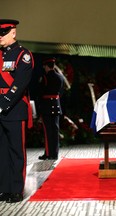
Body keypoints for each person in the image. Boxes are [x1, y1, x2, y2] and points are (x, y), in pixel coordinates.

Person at [0, 19, 34, 203]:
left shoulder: (23, 55)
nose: (0, 36)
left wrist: (4, 102)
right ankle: (4, 188)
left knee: (15, 151)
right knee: (2, 151)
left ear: (13, 32)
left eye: (3, 32)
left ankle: (16, 190)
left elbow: (20, 83)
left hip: (14, 108)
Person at [37, 57, 64, 160]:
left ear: (47, 66)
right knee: (55, 130)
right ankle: (55, 153)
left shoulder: (44, 78)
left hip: (46, 106)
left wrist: (39, 107)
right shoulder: (60, 77)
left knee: (47, 131)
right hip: (56, 105)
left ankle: (48, 154)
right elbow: (61, 92)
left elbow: (40, 93)